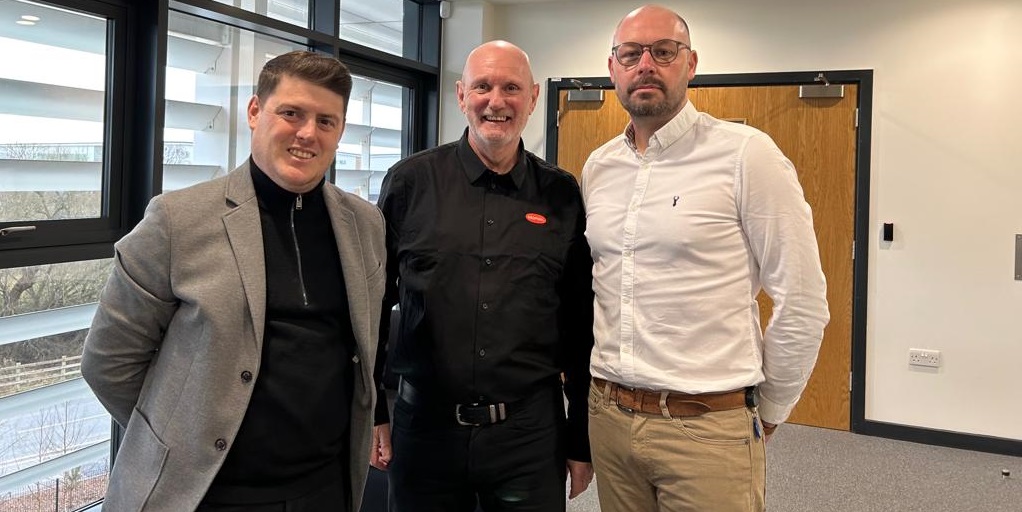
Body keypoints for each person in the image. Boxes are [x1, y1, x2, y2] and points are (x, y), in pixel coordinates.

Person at [81, 50, 386, 512]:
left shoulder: (365, 224)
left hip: (325, 489)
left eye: (326, 121)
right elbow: (109, 362)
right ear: (255, 111)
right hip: (208, 494)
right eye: (291, 113)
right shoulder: (177, 220)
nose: (308, 133)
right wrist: (177, 439)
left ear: (340, 131)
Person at [581, 5, 831, 512]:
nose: (645, 65)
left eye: (663, 52)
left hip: (707, 428)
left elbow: (802, 300)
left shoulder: (746, 155)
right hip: (609, 418)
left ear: (690, 64)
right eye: (630, 54)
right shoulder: (599, 166)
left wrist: (771, 409)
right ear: (612, 68)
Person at [369, 40, 595, 512]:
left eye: (511, 87)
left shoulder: (560, 193)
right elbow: (372, 304)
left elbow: (580, 322)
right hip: (425, 429)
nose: (496, 101)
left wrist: (580, 437)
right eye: (482, 87)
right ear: (460, 95)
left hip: (528, 435)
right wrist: (373, 412)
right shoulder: (410, 182)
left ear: (533, 97)